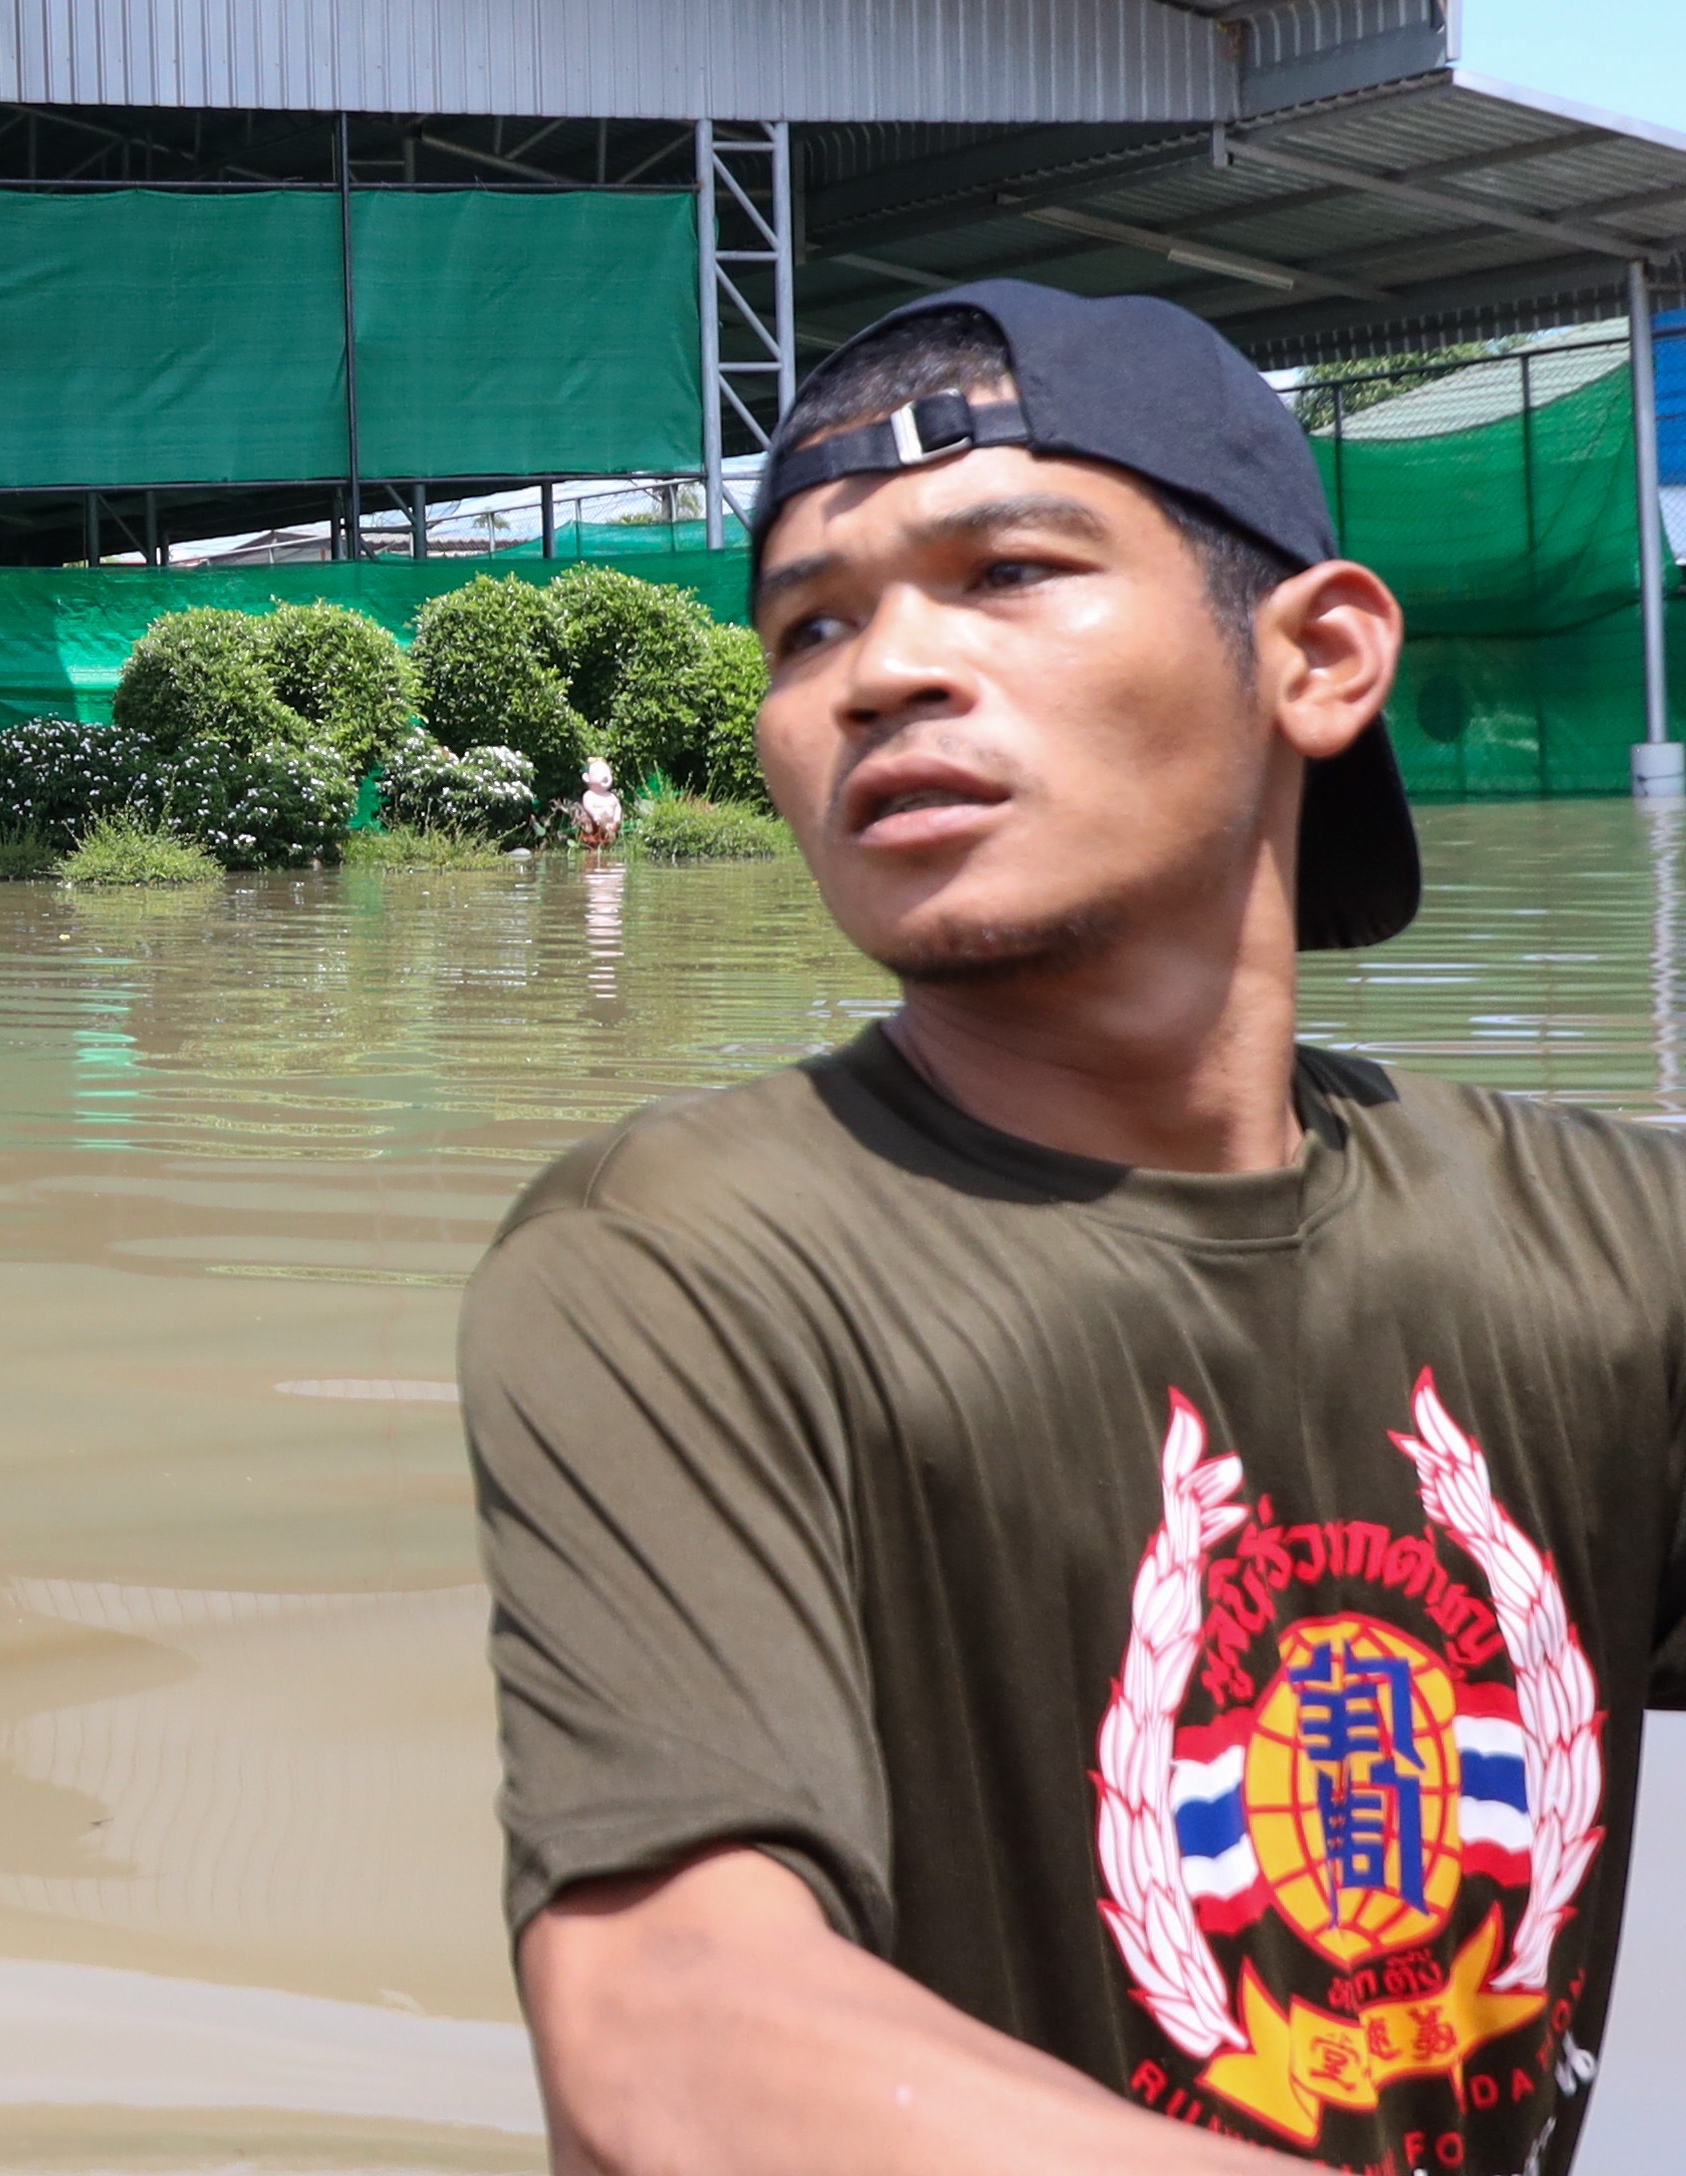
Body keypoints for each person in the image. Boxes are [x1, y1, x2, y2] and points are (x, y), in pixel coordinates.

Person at [462, 279, 1685, 2175]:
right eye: (809, 629)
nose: (879, 674)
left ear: (1324, 656)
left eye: (1010, 570)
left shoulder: (1616, 1244)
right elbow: (676, 2033)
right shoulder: (685, 1263)